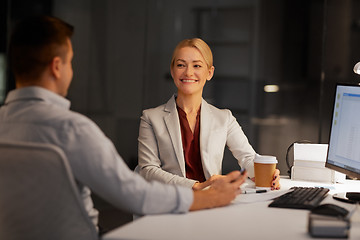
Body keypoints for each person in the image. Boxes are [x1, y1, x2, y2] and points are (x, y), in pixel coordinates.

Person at [0, 16, 248, 231]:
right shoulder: (73, 130)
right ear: (57, 67)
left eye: (197, 65)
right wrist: (208, 196)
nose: (189, 72)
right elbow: (133, 194)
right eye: (71, 61)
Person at [137, 38, 281, 191]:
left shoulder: (224, 118)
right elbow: (148, 170)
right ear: (172, 71)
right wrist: (197, 186)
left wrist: (266, 173)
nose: (188, 72)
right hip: (171, 202)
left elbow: (247, 157)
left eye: (197, 65)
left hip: (211, 202)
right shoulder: (151, 118)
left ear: (209, 72)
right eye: (181, 65)